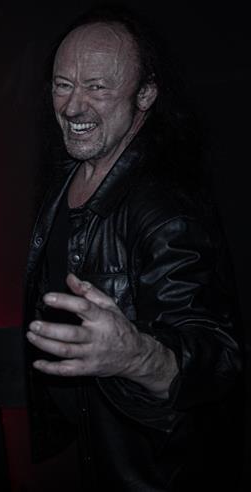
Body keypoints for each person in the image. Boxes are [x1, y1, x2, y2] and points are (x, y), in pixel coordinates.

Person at [23, 7, 243, 491]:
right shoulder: (67, 178)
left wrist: (136, 356)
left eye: (97, 87)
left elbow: (220, 359)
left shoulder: (165, 208)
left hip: (155, 472)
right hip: (90, 451)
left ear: (145, 95)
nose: (73, 107)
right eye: (63, 85)